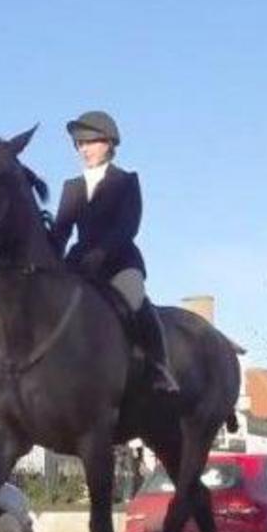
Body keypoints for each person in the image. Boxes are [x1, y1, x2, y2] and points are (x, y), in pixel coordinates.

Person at [49, 110, 179, 397]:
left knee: (135, 300)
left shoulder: (126, 181)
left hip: (120, 260)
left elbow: (127, 227)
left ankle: (159, 366)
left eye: (89, 142)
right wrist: (50, 258)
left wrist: (99, 255)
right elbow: (61, 231)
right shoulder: (71, 187)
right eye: (79, 144)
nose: (83, 149)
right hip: (78, 263)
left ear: (108, 144)